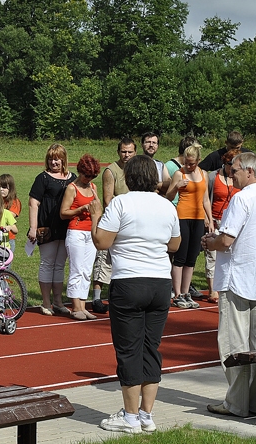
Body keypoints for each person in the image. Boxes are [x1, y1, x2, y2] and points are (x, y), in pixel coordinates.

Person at [90, 155, 180, 434]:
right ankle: (146, 415)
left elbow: (102, 241)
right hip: (160, 282)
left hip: (129, 281)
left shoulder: (120, 202)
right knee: (151, 348)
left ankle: (130, 418)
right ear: (155, 179)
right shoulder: (166, 205)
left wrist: (95, 215)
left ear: (128, 178)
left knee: (129, 350)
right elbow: (174, 244)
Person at [202, 152, 256, 418]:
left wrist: (210, 241)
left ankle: (236, 403)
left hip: (237, 279)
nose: (230, 174)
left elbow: (226, 241)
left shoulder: (241, 198)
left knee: (233, 344)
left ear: (249, 171)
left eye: (233, 170)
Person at [27, 144, 77, 316]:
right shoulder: (42, 178)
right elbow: (34, 203)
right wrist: (33, 228)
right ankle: (46, 302)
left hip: (66, 226)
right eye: (51, 158)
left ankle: (58, 301)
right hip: (46, 226)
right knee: (47, 263)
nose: (54, 162)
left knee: (60, 264)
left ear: (64, 160)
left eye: (57, 158)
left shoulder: (73, 178)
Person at [91, 137, 135, 314]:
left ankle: (119, 296)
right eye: (123, 151)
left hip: (132, 221)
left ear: (135, 152)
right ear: (118, 152)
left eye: (129, 152)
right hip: (114, 220)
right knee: (104, 259)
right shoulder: (111, 171)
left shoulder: (137, 169)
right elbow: (108, 199)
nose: (126, 155)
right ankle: (96, 298)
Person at [165, 144, 213, 309]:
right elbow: (169, 196)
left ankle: (186, 292)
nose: (189, 166)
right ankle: (177, 294)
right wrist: (177, 186)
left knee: (192, 257)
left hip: (198, 218)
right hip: (182, 217)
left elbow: (205, 199)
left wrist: (210, 219)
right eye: (186, 162)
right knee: (180, 256)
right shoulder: (179, 173)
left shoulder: (203, 174)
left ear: (198, 160)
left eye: (192, 163)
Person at [60, 154, 100, 320]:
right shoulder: (71, 188)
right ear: (80, 172)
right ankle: (75, 306)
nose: (88, 179)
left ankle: (83, 305)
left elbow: (99, 208)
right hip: (76, 231)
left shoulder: (93, 187)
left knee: (86, 270)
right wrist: (80, 209)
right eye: (86, 175)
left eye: (92, 176)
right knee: (76, 269)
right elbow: (63, 213)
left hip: (90, 231)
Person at [204, 148, 241, 304]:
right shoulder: (213, 177)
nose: (230, 169)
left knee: (230, 255)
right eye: (228, 165)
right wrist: (209, 219)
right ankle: (213, 290)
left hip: (233, 222)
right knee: (212, 255)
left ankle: (229, 286)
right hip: (216, 220)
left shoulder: (240, 180)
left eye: (234, 166)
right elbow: (206, 197)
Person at [0, 174, 21, 253]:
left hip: (7, 239)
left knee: (4, 264)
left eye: (4, 187)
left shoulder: (14, 202)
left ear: (11, 189)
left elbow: (9, 216)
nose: (1, 189)